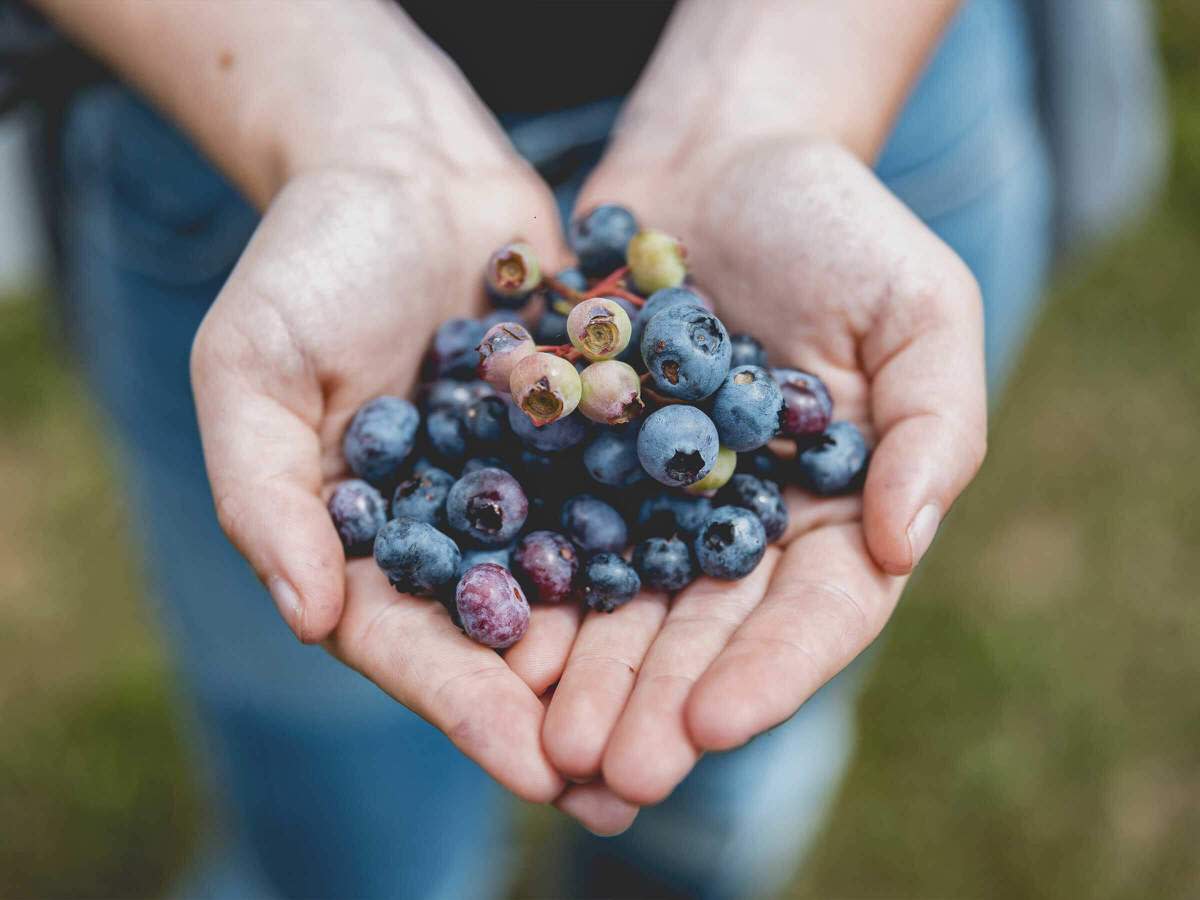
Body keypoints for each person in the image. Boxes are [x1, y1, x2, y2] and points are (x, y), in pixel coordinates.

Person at [4, 1, 1163, 897]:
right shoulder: (507, 431)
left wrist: (784, 96)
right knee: (339, 824)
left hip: (863, 81)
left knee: (733, 761)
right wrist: (332, 111)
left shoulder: (678, 405)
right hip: (231, 124)